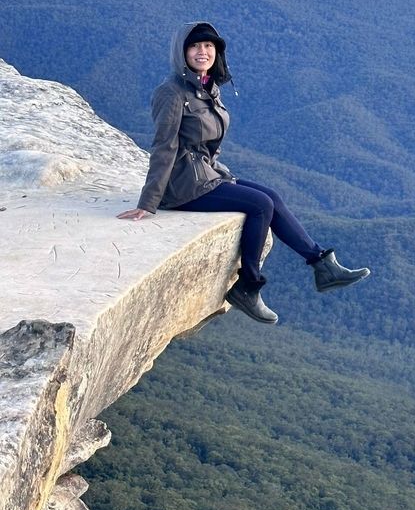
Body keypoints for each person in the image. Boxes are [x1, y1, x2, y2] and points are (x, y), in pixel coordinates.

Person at [117, 21, 370, 325]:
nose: (203, 52)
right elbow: (163, 147)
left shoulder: (207, 87)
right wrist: (149, 202)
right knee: (259, 205)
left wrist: (218, 171)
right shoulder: (171, 93)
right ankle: (247, 287)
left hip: (206, 174)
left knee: (272, 197)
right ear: (181, 52)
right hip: (182, 185)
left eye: (209, 46)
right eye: (195, 46)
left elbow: (210, 142)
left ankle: (322, 265)